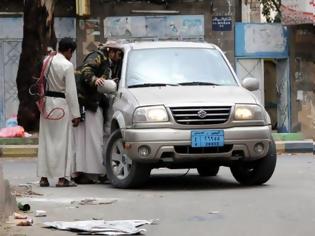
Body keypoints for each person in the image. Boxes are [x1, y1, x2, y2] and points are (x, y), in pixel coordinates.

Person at [72, 44, 122, 184]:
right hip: (88, 102)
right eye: (118, 54)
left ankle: (87, 172)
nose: (119, 57)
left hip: (92, 102)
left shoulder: (109, 62)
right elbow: (86, 70)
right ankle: (93, 172)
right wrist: (95, 80)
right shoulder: (98, 56)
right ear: (111, 51)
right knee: (92, 138)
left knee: (88, 138)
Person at [37, 37, 81, 187]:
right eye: (72, 53)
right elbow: (71, 92)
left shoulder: (46, 61)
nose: (71, 56)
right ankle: (62, 179)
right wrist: (76, 114)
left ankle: (44, 177)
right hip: (62, 105)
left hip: (46, 104)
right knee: (63, 142)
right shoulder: (67, 65)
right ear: (68, 50)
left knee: (46, 141)